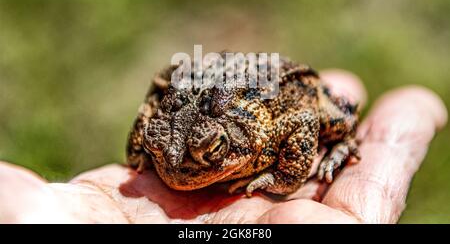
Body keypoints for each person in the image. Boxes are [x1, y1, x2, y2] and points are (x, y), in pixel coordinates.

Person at [0, 70, 447, 223]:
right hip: (202, 95)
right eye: (162, 153)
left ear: (225, 143)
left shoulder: (259, 128)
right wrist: (143, 153)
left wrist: (279, 175)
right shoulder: (168, 130)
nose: (176, 173)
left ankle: (346, 145)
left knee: (338, 120)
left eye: (207, 155)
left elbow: (303, 116)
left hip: (281, 87)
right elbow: (151, 113)